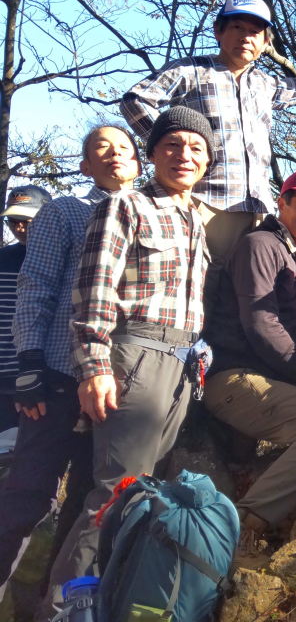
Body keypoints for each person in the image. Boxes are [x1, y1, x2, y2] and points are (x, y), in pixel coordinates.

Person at [47, 107, 213, 604]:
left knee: (142, 494)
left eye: (196, 148)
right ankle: (62, 609)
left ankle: (107, 601)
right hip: (135, 357)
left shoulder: (196, 222)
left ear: (207, 160)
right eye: (172, 146)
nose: (185, 156)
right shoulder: (125, 206)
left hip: (183, 365)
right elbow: (93, 291)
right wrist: (94, 366)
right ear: (153, 154)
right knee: (115, 493)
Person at [119, 0, 296, 299]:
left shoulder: (265, 83)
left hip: (259, 209)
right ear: (219, 31)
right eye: (237, 27)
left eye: (255, 32)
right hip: (207, 202)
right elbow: (134, 100)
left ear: (265, 43)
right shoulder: (190, 71)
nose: (246, 37)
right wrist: (168, 151)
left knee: (251, 297)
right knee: (197, 289)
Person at [0, 128, 139, 589]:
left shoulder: (152, 214)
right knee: (27, 495)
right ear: (84, 166)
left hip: (119, 383)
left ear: (140, 163)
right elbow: (34, 286)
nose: (115, 153)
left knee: (87, 506)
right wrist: (30, 366)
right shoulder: (63, 212)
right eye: (102, 147)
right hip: (58, 375)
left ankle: (49, 606)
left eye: (124, 147)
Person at [203, 168, 296, 546]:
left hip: (260, 374)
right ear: (282, 203)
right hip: (233, 377)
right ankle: (242, 525)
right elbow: (261, 323)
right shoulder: (261, 245)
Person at [0, 186, 53, 432]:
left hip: (42, 377)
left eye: (26, 220)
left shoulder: (62, 259)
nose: (19, 227)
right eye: (13, 220)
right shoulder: (3, 259)